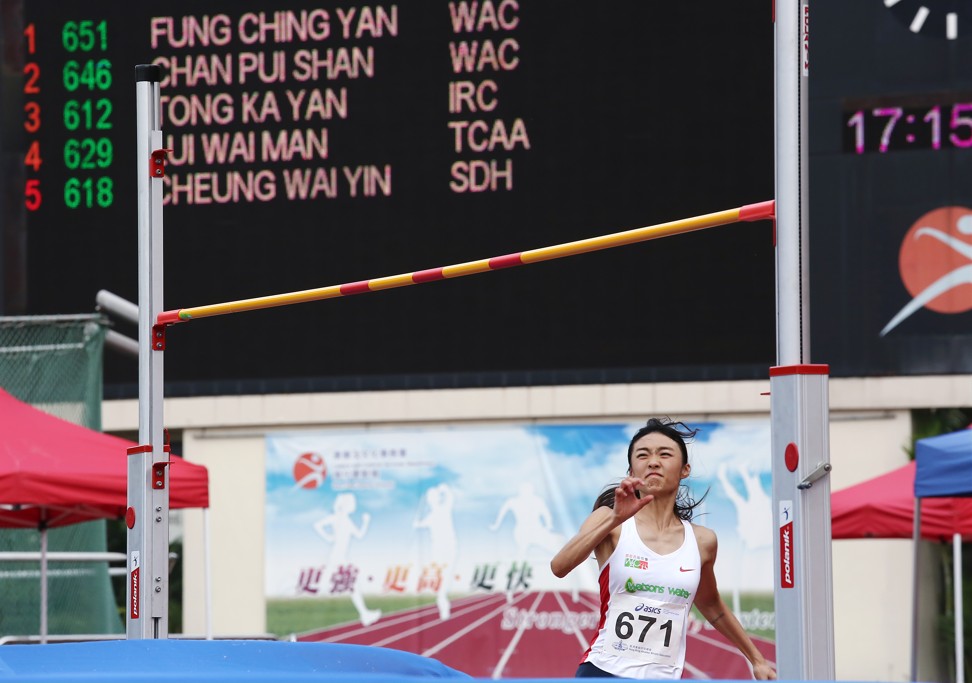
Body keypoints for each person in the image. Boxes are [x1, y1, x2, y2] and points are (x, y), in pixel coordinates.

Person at [550, 418, 776, 680]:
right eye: (643, 455)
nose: (653, 462)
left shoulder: (702, 541)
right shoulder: (609, 519)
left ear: (685, 469)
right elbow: (559, 566)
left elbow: (713, 607)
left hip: (665, 677)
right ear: (631, 470)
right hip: (604, 672)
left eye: (665, 454)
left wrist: (757, 660)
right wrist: (615, 518)